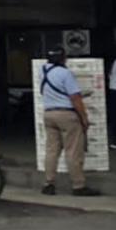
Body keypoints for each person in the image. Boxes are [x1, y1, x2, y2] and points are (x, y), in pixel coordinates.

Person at [39, 49, 100, 196]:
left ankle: (49, 184)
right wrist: (84, 118)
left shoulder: (43, 71)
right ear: (63, 59)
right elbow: (74, 98)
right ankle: (78, 185)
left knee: (51, 151)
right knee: (73, 151)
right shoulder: (65, 73)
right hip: (66, 114)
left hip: (49, 113)